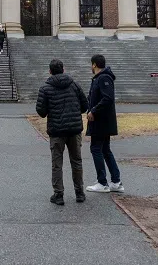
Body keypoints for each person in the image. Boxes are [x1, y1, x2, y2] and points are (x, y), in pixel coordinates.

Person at [36, 59, 89, 206]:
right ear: (63, 70)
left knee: (57, 163)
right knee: (76, 161)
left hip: (57, 130)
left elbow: (41, 111)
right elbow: (85, 106)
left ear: (50, 71)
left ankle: (58, 194)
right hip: (74, 129)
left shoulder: (45, 88)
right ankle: (79, 192)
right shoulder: (74, 85)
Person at [85, 54, 123, 194]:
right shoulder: (100, 78)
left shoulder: (103, 78)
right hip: (102, 121)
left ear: (94, 64)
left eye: (91, 64)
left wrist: (93, 111)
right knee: (105, 149)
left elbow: (108, 98)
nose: (91, 67)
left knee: (96, 148)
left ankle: (102, 182)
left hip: (100, 121)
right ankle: (115, 181)